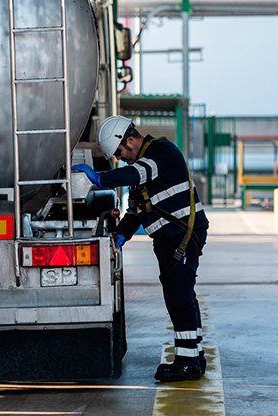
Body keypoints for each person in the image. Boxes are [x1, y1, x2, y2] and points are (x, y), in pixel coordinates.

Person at [72, 115, 209, 382]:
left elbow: (136, 173)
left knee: (179, 297)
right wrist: (120, 235)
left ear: (131, 140)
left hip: (182, 235)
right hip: (169, 238)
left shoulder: (162, 152)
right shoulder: (141, 168)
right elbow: (135, 213)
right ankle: (194, 355)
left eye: (120, 153)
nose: (121, 159)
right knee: (179, 295)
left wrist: (99, 178)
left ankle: (187, 363)